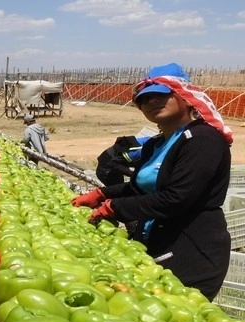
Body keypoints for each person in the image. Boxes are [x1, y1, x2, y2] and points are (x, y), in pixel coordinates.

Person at [71, 63, 234, 301]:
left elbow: (176, 199)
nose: (152, 102)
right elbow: (140, 188)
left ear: (186, 97)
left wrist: (115, 207)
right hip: (154, 244)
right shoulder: (153, 145)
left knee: (179, 318)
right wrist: (102, 194)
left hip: (192, 250)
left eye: (161, 95)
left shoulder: (202, 140)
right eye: (144, 99)